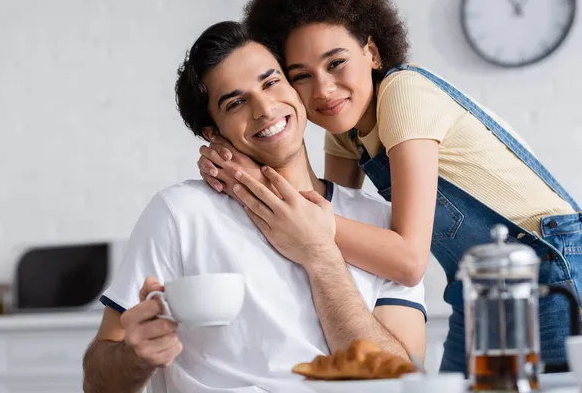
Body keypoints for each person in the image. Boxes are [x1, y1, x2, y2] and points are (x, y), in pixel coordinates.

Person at [196, 0, 582, 374]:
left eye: (336, 63)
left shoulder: (403, 93)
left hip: (549, 268)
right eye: (302, 77)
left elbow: (407, 261)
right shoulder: (345, 127)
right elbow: (321, 206)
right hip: (477, 286)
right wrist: (240, 163)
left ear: (373, 53)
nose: (324, 89)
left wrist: (263, 192)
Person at [82, 21, 426, 393]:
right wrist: (137, 357)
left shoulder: (379, 224)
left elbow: (403, 382)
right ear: (213, 134)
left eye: (271, 82)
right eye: (236, 102)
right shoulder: (181, 214)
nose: (264, 108)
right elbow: (99, 381)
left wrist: (319, 255)